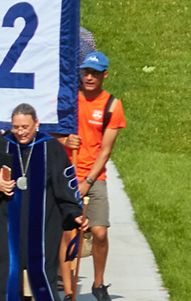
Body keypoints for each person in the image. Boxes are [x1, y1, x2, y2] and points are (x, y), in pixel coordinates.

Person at [0, 104, 87, 301]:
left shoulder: (51, 148)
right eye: (16, 127)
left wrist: (76, 213)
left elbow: (65, 187)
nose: (20, 132)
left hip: (42, 229)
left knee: (42, 277)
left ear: (36, 124)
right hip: (4, 226)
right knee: (0, 276)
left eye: (25, 127)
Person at [63, 53, 126, 301]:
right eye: (86, 72)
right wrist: (64, 140)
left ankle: (98, 284)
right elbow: (49, 133)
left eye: (95, 73)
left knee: (99, 232)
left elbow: (105, 151)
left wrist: (87, 182)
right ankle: (68, 290)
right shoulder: (69, 100)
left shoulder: (112, 106)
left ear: (104, 75)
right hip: (66, 174)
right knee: (66, 234)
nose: (89, 77)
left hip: (94, 176)